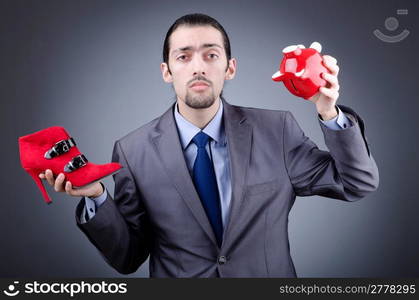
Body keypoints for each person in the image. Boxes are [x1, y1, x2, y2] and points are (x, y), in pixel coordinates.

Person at [39, 13, 379, 277]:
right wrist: (99, 197)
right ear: (166, 71)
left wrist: (328, 110)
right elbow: (127, 257)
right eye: (184, 57)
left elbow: (357, 183)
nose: (198, 67)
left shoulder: (277, 130)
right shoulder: (133, 151)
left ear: (229, 68)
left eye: (211, 55)